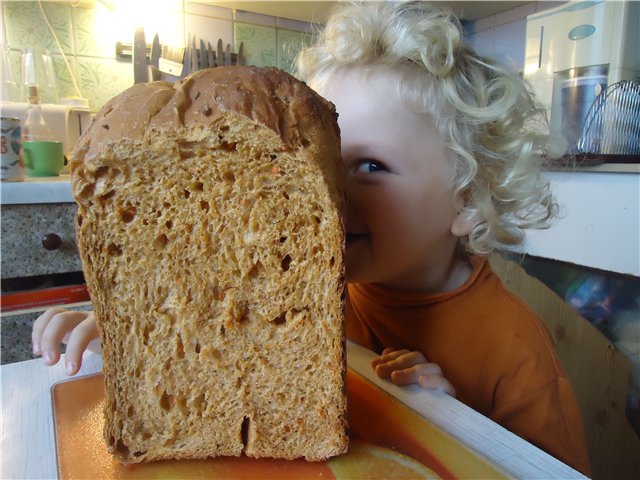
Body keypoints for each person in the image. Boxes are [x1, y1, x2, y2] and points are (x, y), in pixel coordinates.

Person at [32, 1, 590, 475]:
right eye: (320, 160)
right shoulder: (302, 289)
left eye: (369, 165)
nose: (325, 191)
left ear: (468, 200)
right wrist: (132, 328)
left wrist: (453, 421)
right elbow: (217, 340)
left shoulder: (517, 352)